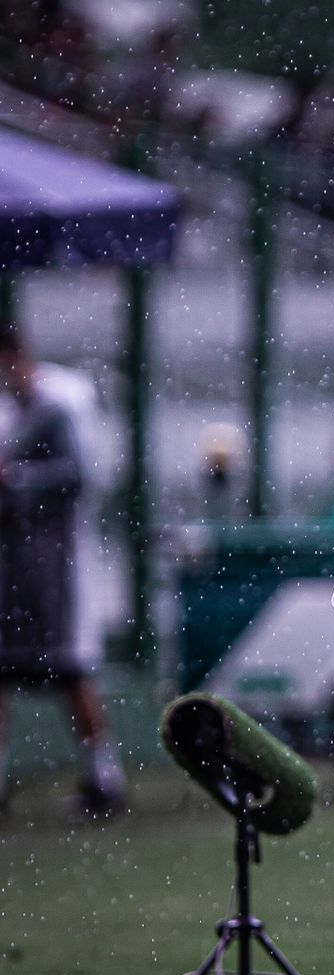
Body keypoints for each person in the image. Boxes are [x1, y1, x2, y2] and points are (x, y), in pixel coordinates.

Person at [0, 324, 126, 817]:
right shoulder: (14, 411)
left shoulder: (58, 406)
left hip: (57, 571)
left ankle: (104, 777)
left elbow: (77, 475)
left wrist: (17, 480)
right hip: (13, 570)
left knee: (71, 670)